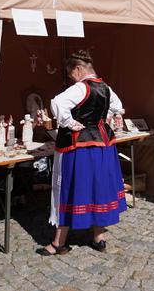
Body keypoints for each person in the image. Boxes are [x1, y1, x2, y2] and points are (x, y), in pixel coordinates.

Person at [37, 50, 126, 256]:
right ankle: (98, 236)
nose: (71, 77)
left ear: (78, 69)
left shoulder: (80, 88)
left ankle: (59, 242)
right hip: (103, 146)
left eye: (71, 73)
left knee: (70, 188)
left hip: (80, 147)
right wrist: (101, 119)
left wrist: (70, 123)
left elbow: (56, 103)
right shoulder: (106, 88)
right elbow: (118, 108)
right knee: (99, 187)